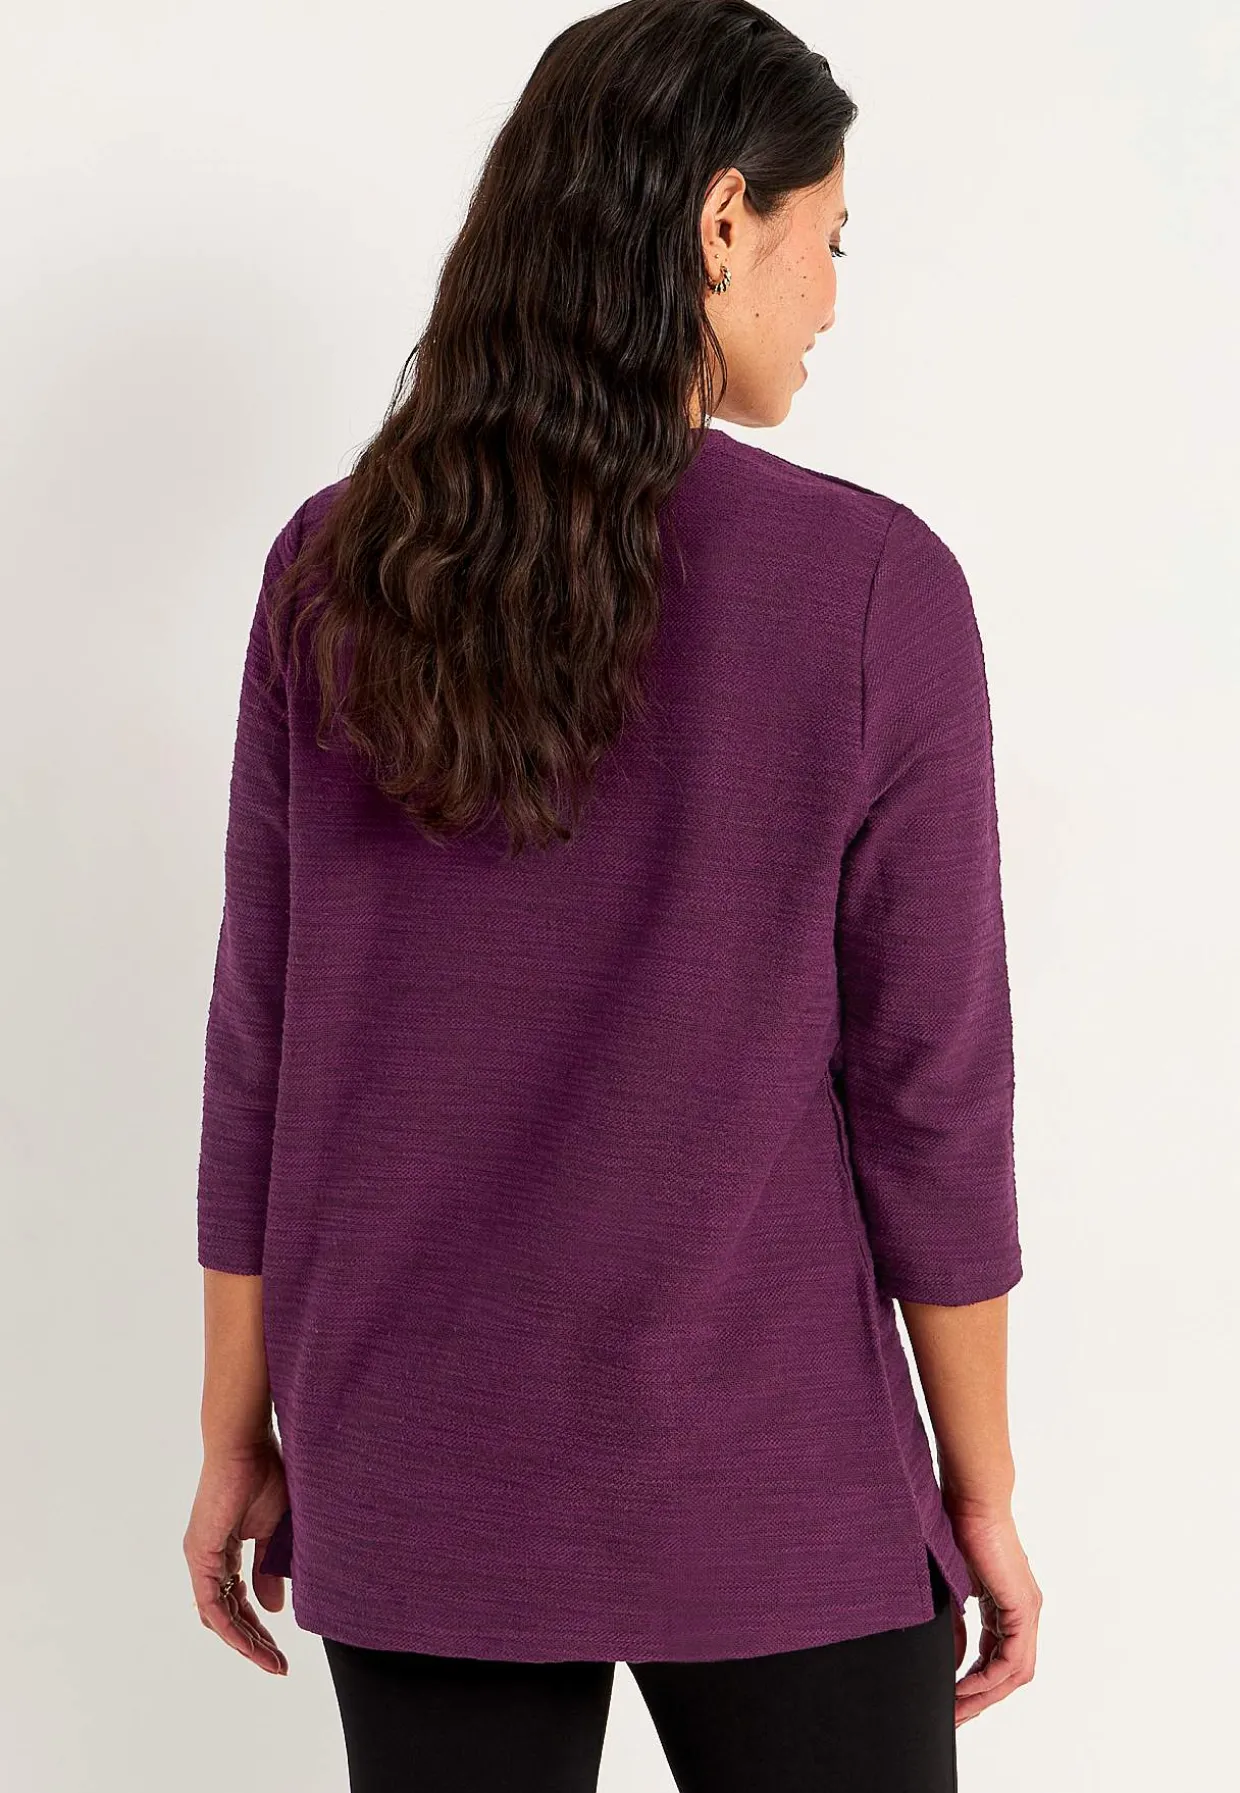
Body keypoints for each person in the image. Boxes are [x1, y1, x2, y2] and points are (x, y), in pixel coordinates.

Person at [183, 1, 1041, 1786]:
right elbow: (932, 1097)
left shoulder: (334, 569)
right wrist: (985, 1492)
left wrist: (232, 1433)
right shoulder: (871, 589)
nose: (833, 296)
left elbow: (265, 1042)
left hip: (408, 1453)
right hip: (772, 1468)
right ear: (726, 221)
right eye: (830, 238)